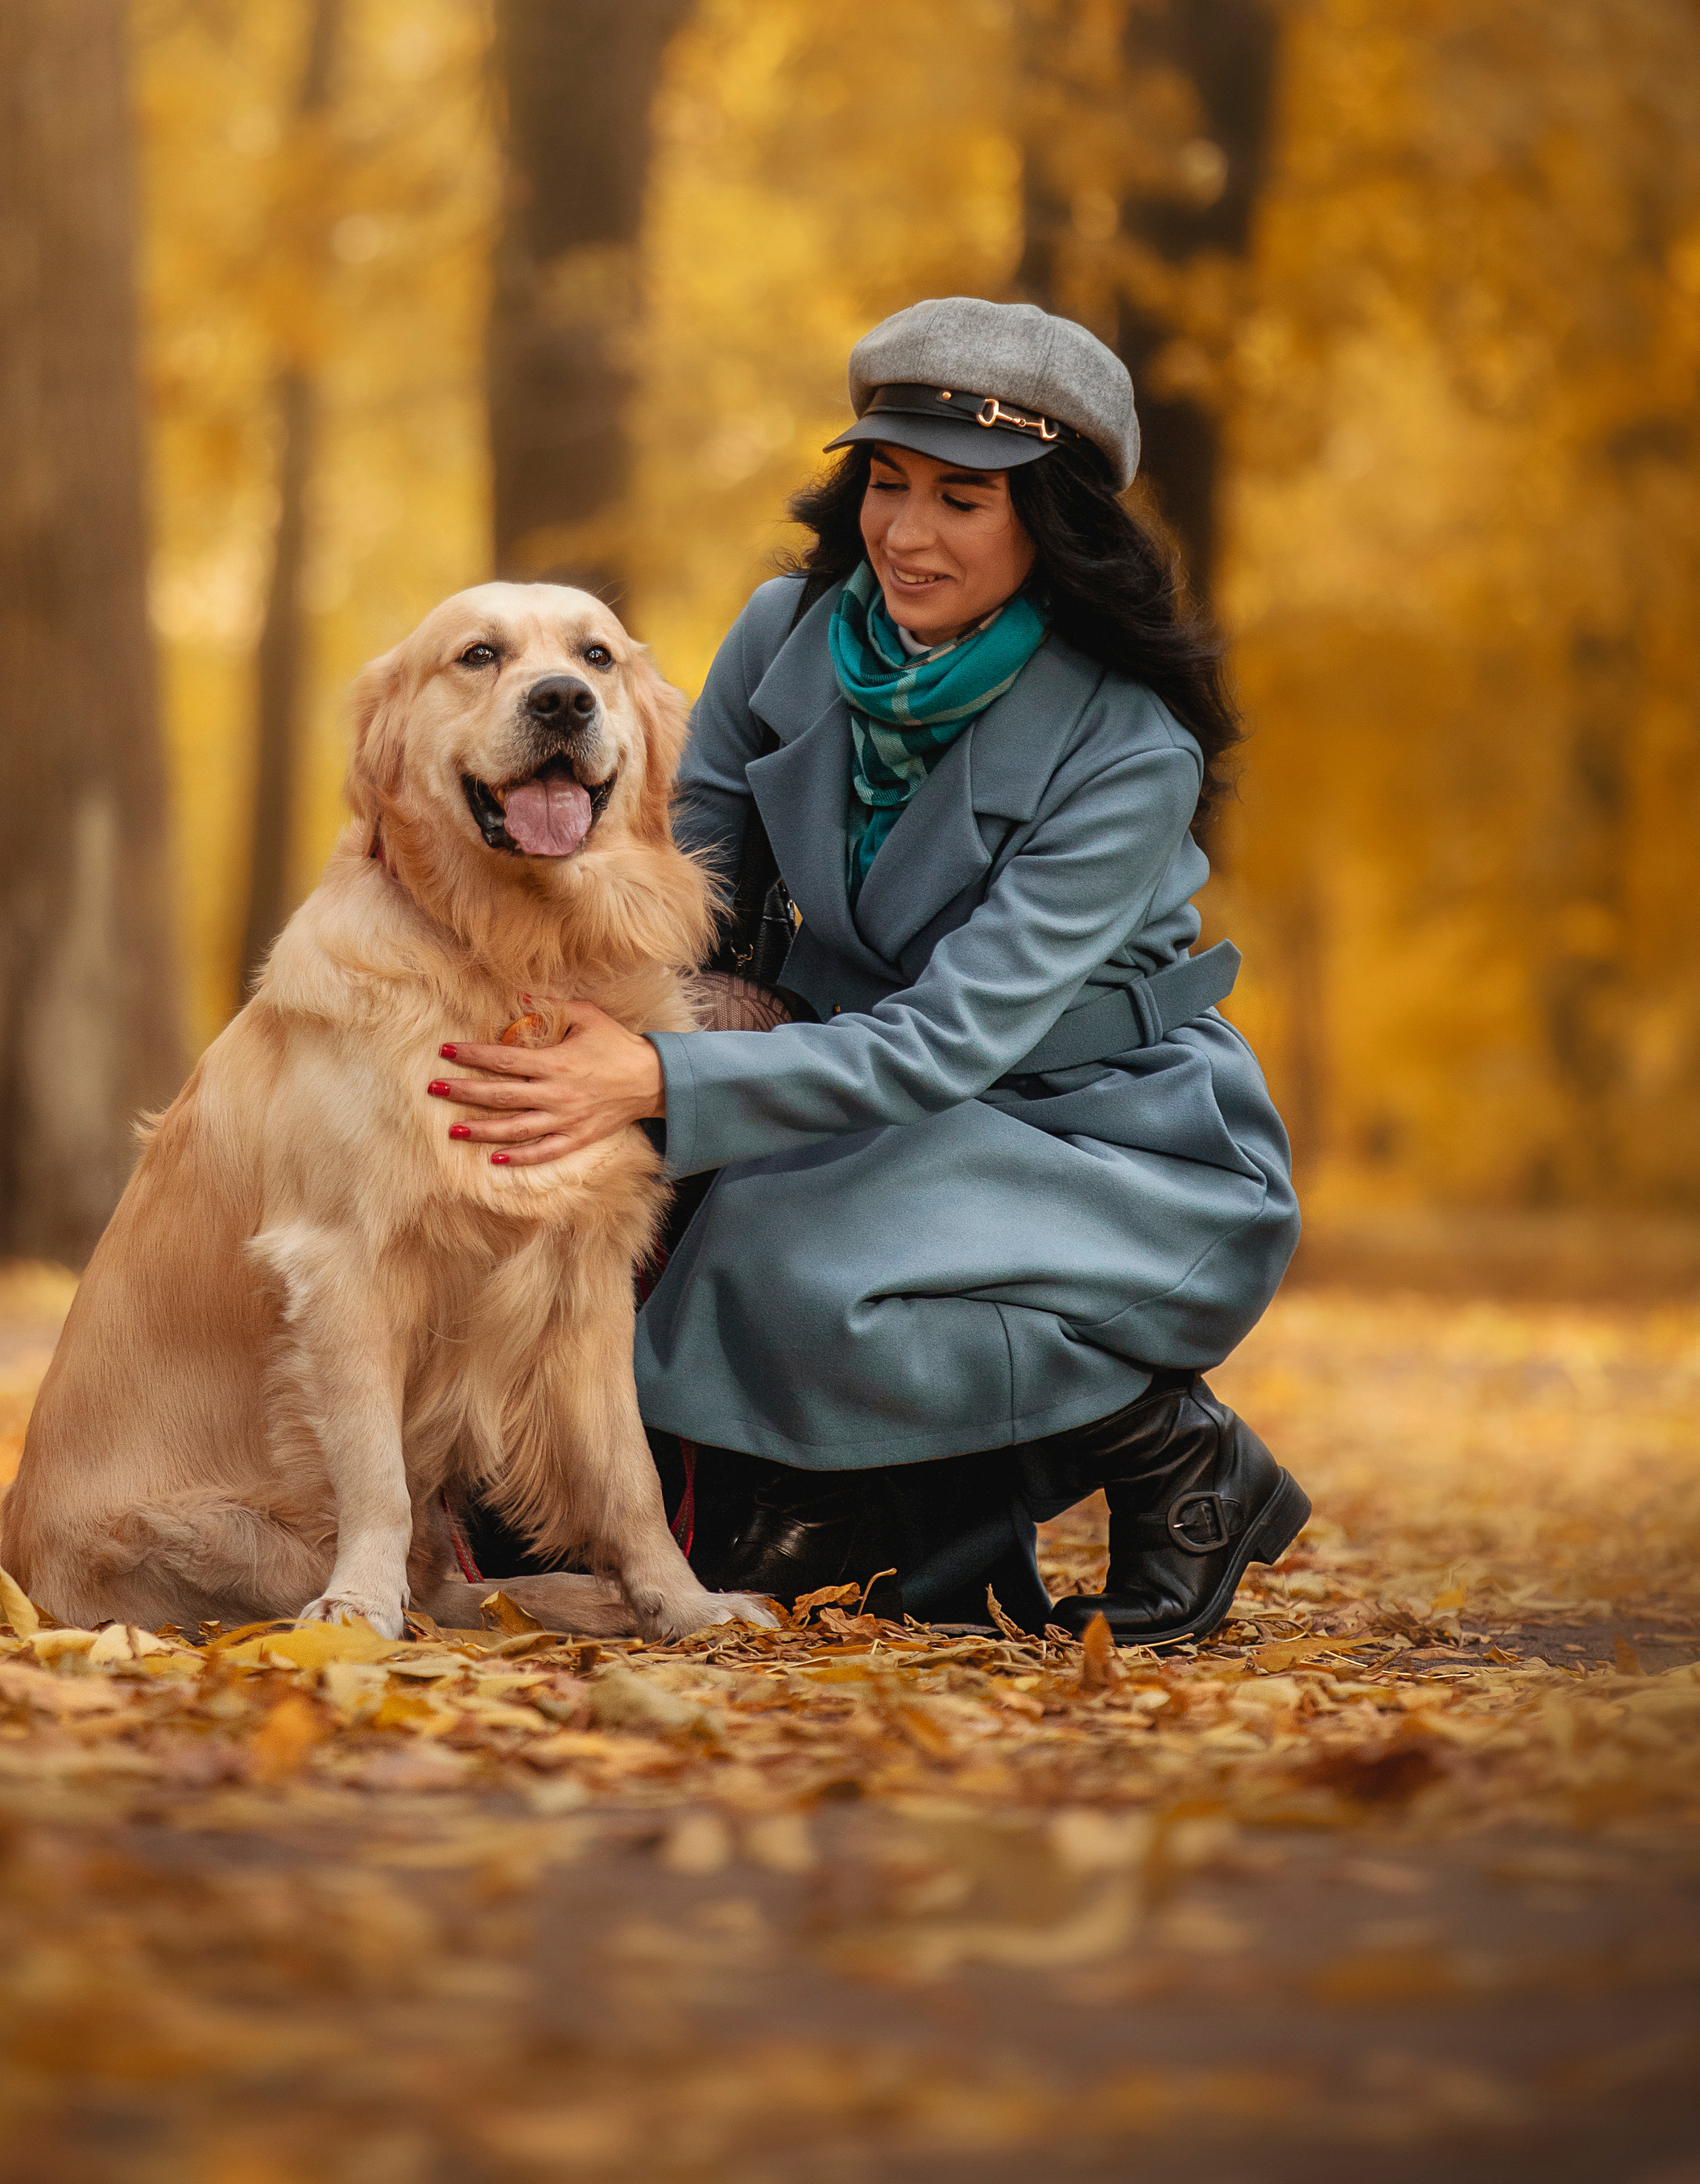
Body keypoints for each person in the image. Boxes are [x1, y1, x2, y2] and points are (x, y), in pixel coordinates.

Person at [436, 296, 1306, 1646]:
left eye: (963, 498)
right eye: (887, 485)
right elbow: (681, 887)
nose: (905, 534)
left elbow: (952, 1041)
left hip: (1091, 1122)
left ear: (1052, 518)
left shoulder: (1130, 748)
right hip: (829, 1068)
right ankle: (800, 1513)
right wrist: (526, 991)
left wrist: (661, 1075)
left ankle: (1168, 1449)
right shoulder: (787, 632)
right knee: (573, 1174)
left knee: (769, 1256)